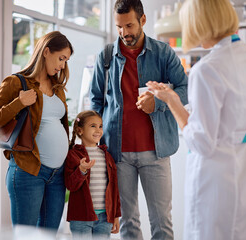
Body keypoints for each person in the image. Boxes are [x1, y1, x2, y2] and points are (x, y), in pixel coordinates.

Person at [146, 0, 246, 239]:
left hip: (214, 184)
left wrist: (172, 102)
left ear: (199, 23)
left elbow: (201, 142)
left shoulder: (207, 69)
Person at [90, 0, 188, 239]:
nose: (124, 33)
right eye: (119, 27)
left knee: (162, 223)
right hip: (118, 154)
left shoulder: (163, 53)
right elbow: (96, 101)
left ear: (143, 21)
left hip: (156, 152)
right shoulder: (105, 56)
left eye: (129, 26)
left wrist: (159, 103)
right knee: (128, 224)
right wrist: (93, 138)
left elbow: (185, 88)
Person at [0, 31, 73, 230]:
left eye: (66, 61)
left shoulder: (57, 87)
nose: (62, 65)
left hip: (57, 175)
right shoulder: (16, 82)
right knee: (26, 235)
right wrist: (19, 102)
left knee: (49, 235)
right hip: (28, 172)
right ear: (46, 51)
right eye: (61, 58)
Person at [64, 110, 121, 240]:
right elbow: (70, 185)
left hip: (105, 218)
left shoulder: (106, 156)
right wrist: (81, 170)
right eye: (93, 126)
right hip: (81, 217)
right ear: (80, 131)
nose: (98, 130)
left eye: (100, 126)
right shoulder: (73, 155)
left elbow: (114, 188)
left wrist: (115, 215)